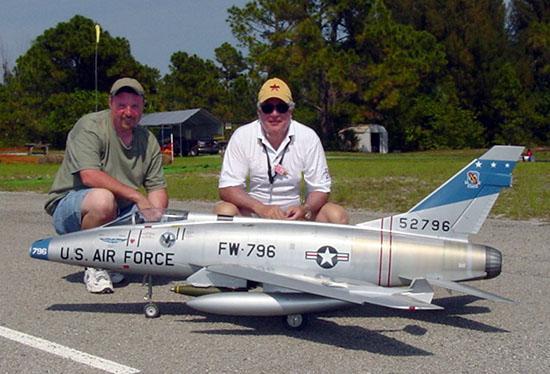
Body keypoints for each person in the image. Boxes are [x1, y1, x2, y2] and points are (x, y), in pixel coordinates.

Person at [44, 77, 168, 293]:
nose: (128, 112)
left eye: (135, 106)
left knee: (157, 214)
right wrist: (138, 197)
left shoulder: (148, 140)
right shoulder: (90, 127)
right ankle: (94, 263)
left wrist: (155, 221)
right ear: (110, 104)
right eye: (121, 105)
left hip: (119, 209)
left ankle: (114, 258)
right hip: (74, 208)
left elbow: (157, 188)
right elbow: (89, 176)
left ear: (142, 108)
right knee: (103, 200)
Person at [215, 77, 348, 224]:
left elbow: (320, 188)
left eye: (281, 107)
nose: (274, 113)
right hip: (254, 213)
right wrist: (261, 208)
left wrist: (305, 208)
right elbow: (227, 187)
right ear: (259, 112)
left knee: (336, 215)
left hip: (295, 217)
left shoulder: (308, 136)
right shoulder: (242, 135)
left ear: (290, 111)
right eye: (267, 108)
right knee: (224, 211)